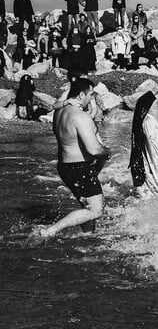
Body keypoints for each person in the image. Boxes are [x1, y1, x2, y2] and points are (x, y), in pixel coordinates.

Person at [38, 78, 111, 237]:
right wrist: (108, 152)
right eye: (90, 95)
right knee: (96, 210)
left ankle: (87, 236)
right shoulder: (80, 116)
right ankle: (50, 231)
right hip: (79, 167)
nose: (91, 98)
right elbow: (94, 150)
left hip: (65, 166)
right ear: (81, 95)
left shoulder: (59, 113)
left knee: (86, 205)